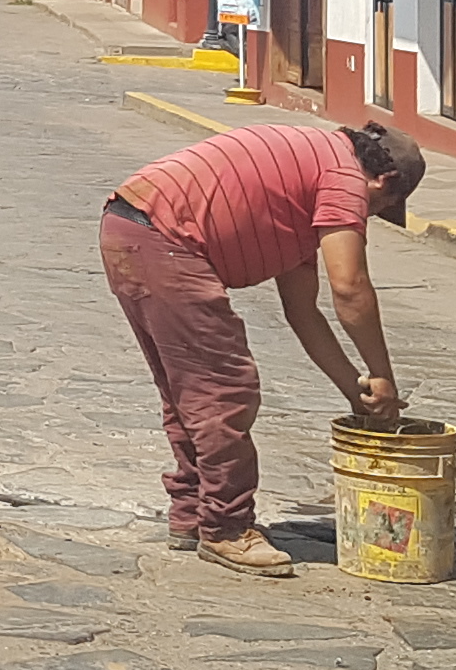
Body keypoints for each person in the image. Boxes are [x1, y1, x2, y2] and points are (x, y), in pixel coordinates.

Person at [99, 117, 426, 576]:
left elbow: (303, 312)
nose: (361, 220)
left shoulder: (309, 173)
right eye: (376, 209)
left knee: (188, 391)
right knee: (224, 388)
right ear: (383, 180)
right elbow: (350, 288)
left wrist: (358, 393)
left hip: (129, 228)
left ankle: (193, 513)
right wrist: (382, 374)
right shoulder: (343, 178)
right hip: (167, 240)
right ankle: (227, 528)